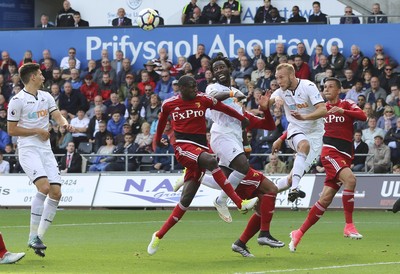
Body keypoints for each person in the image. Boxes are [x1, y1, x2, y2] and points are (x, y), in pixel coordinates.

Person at [147, 75, 258, 255]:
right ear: (181, 88)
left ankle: (158, 235)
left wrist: (241, 118)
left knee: (185, 201)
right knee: (211, 161)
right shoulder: (169, 104)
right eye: (190, 87)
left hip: (199, 149)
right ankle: (239, 203)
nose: (194, 90)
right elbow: (161, 122)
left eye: (195, 87)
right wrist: (156, 141)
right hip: (183, 147)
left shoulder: (202, 99)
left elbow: (223, 107)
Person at [289, 77, 367, 252]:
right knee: (351, 180)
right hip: (330, 151)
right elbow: (301, 126)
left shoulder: (347, 103)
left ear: (338, 90)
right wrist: (281, 139)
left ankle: (298, 233)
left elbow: (363, 116)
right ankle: (349, 226)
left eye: (331, 86)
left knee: (325, 199)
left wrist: (344, 112)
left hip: (346, 154)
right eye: (325, 87)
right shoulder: (321, 108)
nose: (326, 89)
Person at [7, 63, 74, 257]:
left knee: (56, 193)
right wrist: (36, 130)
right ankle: (32, 236)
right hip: (28, 148)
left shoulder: (46, 96)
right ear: (32, 77)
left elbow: (56, 115)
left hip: (45, 149)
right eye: (40, 74)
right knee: (44, 188)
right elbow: (11, 130)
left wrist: (64, 124)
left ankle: (38, 238)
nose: (43, 76)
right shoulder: (17, 101)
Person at [270, 63, 327, 202]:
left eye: (281, 77)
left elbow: (323, 110)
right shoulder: (280, 91)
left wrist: (304, 117)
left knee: (291, 177)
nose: (279, 81)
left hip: (315, 134)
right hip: (296, 129)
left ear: (291, 75)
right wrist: (274, 99)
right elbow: (266, 103)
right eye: (277, 78)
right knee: (304, 145)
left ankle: (266, 193)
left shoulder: (308, 87)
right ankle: (295, 188)